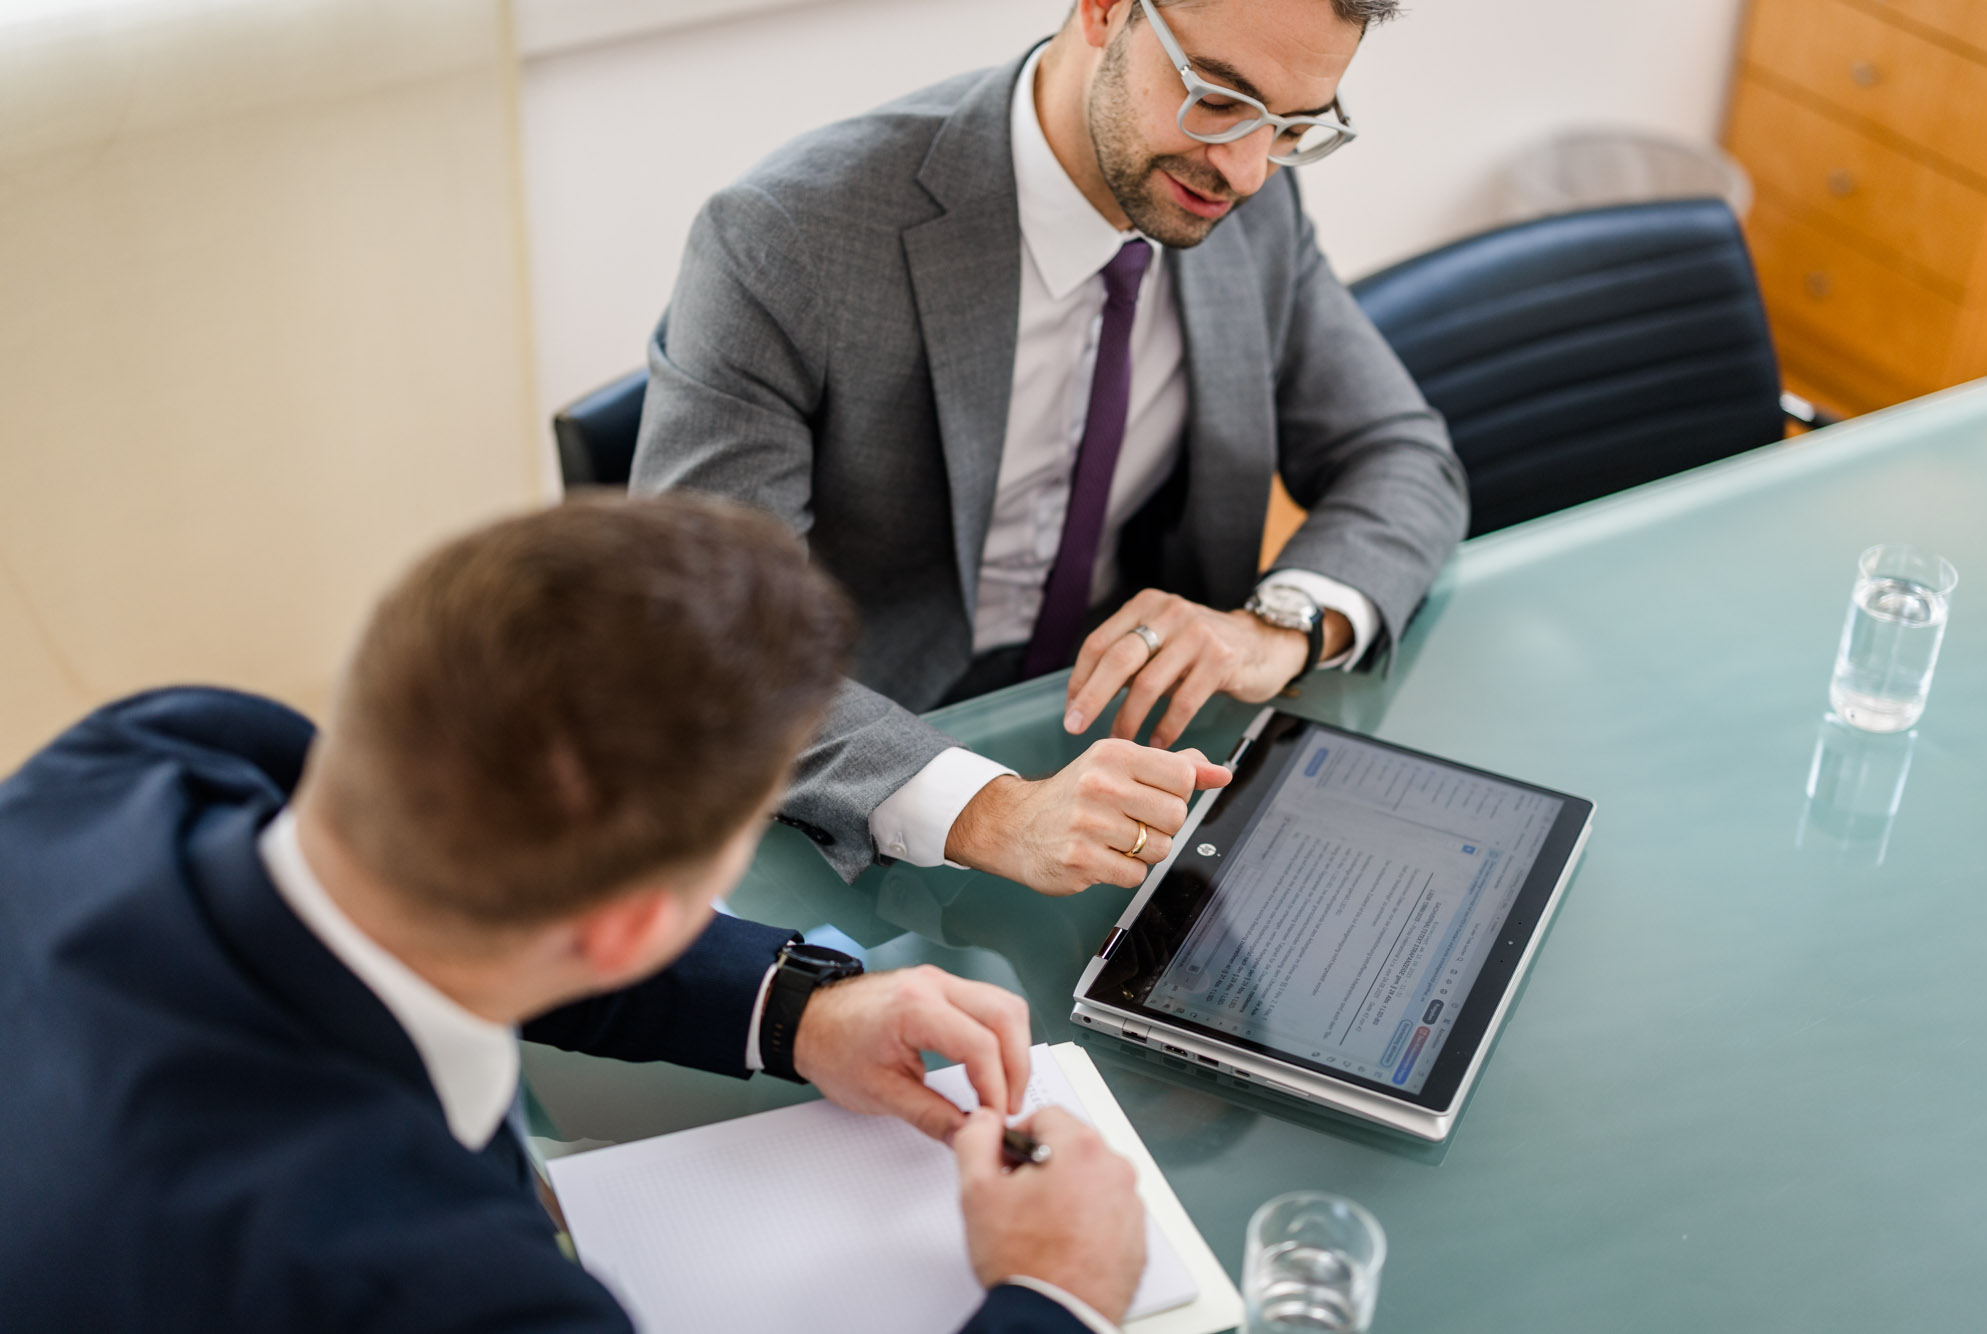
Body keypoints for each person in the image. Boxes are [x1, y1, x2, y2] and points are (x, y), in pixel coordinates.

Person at [0, 496, 1145, 1334]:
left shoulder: (162, 749)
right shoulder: (440, 1289)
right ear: (635, 921)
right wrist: (1051, 1296)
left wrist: (796, 1006)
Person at [633, 0, 1469, 898]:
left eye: (1293, 126)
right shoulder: (786, 239)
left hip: (1135, 762)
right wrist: (995, 811)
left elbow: (1401, 455)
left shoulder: (1252, 207)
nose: (1247, 170)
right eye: (1219, 99)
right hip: (847, 796)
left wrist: (1278, 627)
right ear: (1105, 10)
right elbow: (700, 642)